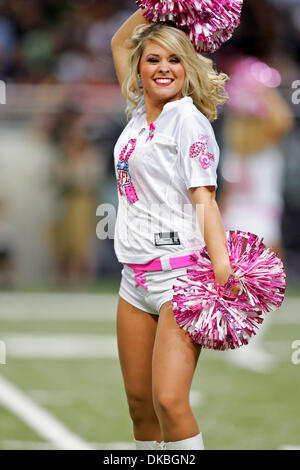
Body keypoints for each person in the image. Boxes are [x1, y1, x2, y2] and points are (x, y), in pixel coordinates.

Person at [110, 8, 241, 451]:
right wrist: (160, 6)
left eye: (174, 59)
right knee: (139, 405)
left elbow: (205, 198)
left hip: (180, 279)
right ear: (139, 69)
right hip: (134, 279)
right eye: (152, 59)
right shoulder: (136, 114)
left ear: (188, 68)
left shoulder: (187, 120)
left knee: (169, 400)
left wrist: (221, 267)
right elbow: (118, 44)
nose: (163, 68)